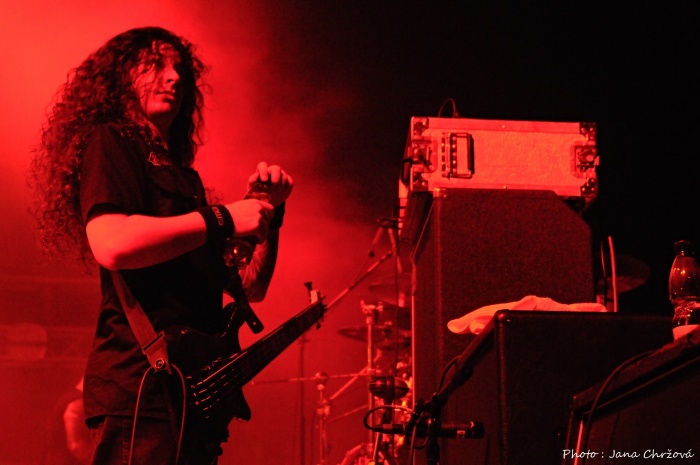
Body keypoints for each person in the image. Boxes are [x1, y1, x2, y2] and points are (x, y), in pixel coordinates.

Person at [29, 27, 293, 464]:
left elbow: (251, 286)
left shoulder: (184, 177)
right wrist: (223, 217)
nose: (173, 77)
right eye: (155, 65)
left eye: (178, 69)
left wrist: (270, 212)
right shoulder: (111, 141)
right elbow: (111, 243)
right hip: (139, 392)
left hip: (188, 397)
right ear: (121, 77)